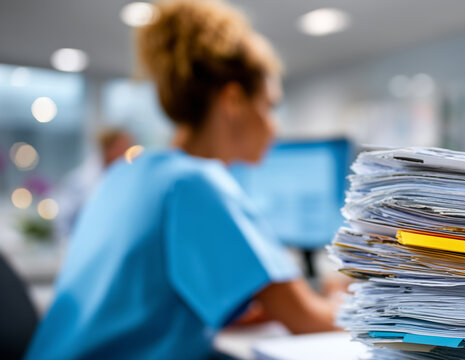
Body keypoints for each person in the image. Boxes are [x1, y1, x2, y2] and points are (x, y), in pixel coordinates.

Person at [26, 1, 337, 359]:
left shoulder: (127, 174)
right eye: (269, 106)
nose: (273, 126)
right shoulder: (195, 183)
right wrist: (377, 305)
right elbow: (309, 319)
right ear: (233, 99)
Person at [54, 128, 134, 240]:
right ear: (109, 148)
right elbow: (64, 224)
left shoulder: (125, 177)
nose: (127, 153)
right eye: (123, 147)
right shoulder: (80, 181)